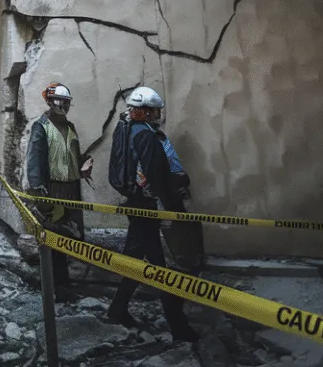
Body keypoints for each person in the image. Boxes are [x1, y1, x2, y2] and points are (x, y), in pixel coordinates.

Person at [105, 87, 200, 343]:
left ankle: (117, 310)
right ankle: (179, 326)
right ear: (146, 111)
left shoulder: (127, 129)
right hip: (148, 206)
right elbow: (152, 175)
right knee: (165, 267)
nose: (159, 114)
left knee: (135, 260)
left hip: (137, 203)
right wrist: (169, 205)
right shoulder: (146, 136)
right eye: (155, 110)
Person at [25, 82, 91, 302]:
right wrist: (39, 192)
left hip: (71, 188)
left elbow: (73, 156)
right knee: (54, 238)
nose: (62, 105)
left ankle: (61, 284)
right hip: (52, 188)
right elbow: (35, 161)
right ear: (49, 102)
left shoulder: (71, 127)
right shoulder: (41, 127)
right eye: (58, 101)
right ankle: (57, 286)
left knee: (68, 236)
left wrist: (84, 163)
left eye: (65, 101)